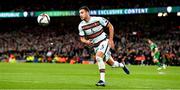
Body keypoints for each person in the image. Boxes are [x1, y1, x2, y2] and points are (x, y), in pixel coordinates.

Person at [78, 6, 130, 86]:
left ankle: (102, 80)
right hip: (96, 46)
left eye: (82, 12)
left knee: (98, 57)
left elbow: (110, 26)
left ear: (87, 12)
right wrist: (86, 41)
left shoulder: (98, 19)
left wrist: (111, 39)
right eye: (79, 13)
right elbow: (82, 38)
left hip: (104, 41)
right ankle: (122, 65)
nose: (80, 15)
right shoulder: (81, 26)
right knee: (113, 64)